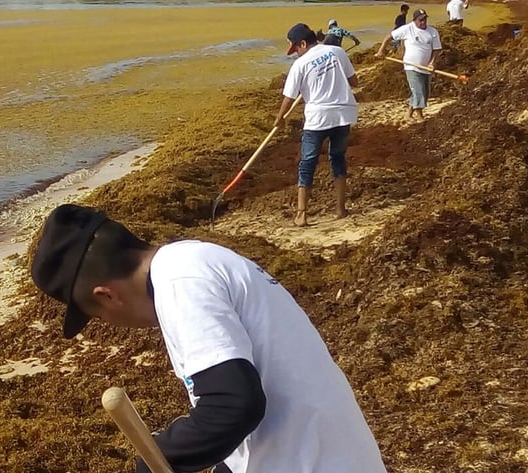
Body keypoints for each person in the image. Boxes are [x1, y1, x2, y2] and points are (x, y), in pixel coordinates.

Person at [30, 203, 389, 473]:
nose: (112, 323)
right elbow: (239, 409)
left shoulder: (182, 285)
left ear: (107, 296)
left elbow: (232, 406)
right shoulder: (189, 262)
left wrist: (152, 459)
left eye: (97, 316)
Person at [276, 23, 359, 226]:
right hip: (343, 114)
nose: (296, 53)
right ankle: (340, 209)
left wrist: (280, 118)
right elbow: (354, 81)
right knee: (337, 158)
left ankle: (301, 214)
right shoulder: (337, 51)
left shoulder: (300, 64)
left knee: (307, 164)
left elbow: (289, 98)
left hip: (318, 119)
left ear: (303, 43)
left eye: (296, 48)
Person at [375, 9, 442, 121]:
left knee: (425, 92)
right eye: (420, 20)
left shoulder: (433, 32)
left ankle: (408, 114)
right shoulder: (408, 28)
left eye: (425, 19)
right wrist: (381, 51)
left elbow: (437, 49)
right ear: (414, 20)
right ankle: (419, 116)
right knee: (418, 90)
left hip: (426, 68)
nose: (423, 22)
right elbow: (389, 37)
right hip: (411, 66)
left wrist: (432, 63)